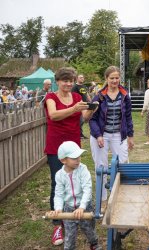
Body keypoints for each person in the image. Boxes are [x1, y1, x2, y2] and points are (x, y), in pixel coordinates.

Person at [44, 67, 97, 245]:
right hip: (56, 145)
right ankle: (58, 224)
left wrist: (92, 109)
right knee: (57, 181)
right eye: (65, 80)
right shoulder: (50, 97)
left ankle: (76, 213)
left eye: (71, 80)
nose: (68, 83)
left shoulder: (76, 97)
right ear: (57, 81)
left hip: (73, 144)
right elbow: (53, 116)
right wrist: (73, 108)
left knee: (77, 180)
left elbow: (84, 117)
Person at [89, 66, 134, 202]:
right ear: (106, 79)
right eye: (112, 78)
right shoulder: (99, 96)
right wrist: (98, 135)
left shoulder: (125, 95)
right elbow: (92, 119)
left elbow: (128, 116)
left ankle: (120, 197)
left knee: (122, 164)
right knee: (101, 167)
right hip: (101, 135)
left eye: (117, 78)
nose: (115, 80)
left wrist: (130, 136)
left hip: (118, 135)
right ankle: (102, 199)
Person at [49, 141, 101, 250]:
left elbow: (87, 189)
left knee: (89, 230)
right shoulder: (59, 175)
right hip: (69, 208)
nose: (78, 159)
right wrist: (58, 209)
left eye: (79, 156)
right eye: (74, 158)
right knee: (69, 234)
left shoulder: (83, 169)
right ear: (63, 160)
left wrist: (82, 207)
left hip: (85, 207)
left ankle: (94, 243)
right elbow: (58, 194)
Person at [72, 74, 91, 139]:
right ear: (77, 78)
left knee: (83, 120)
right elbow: (74, 96)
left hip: (85, 105)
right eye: (80, 77)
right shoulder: (75, 87)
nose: (82, 78)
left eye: (83, 77)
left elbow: (86, 94)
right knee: (80, 120)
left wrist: (90, 101)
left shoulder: (84, 86)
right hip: (79, 105)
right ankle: (79, 134)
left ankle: (80, 134)